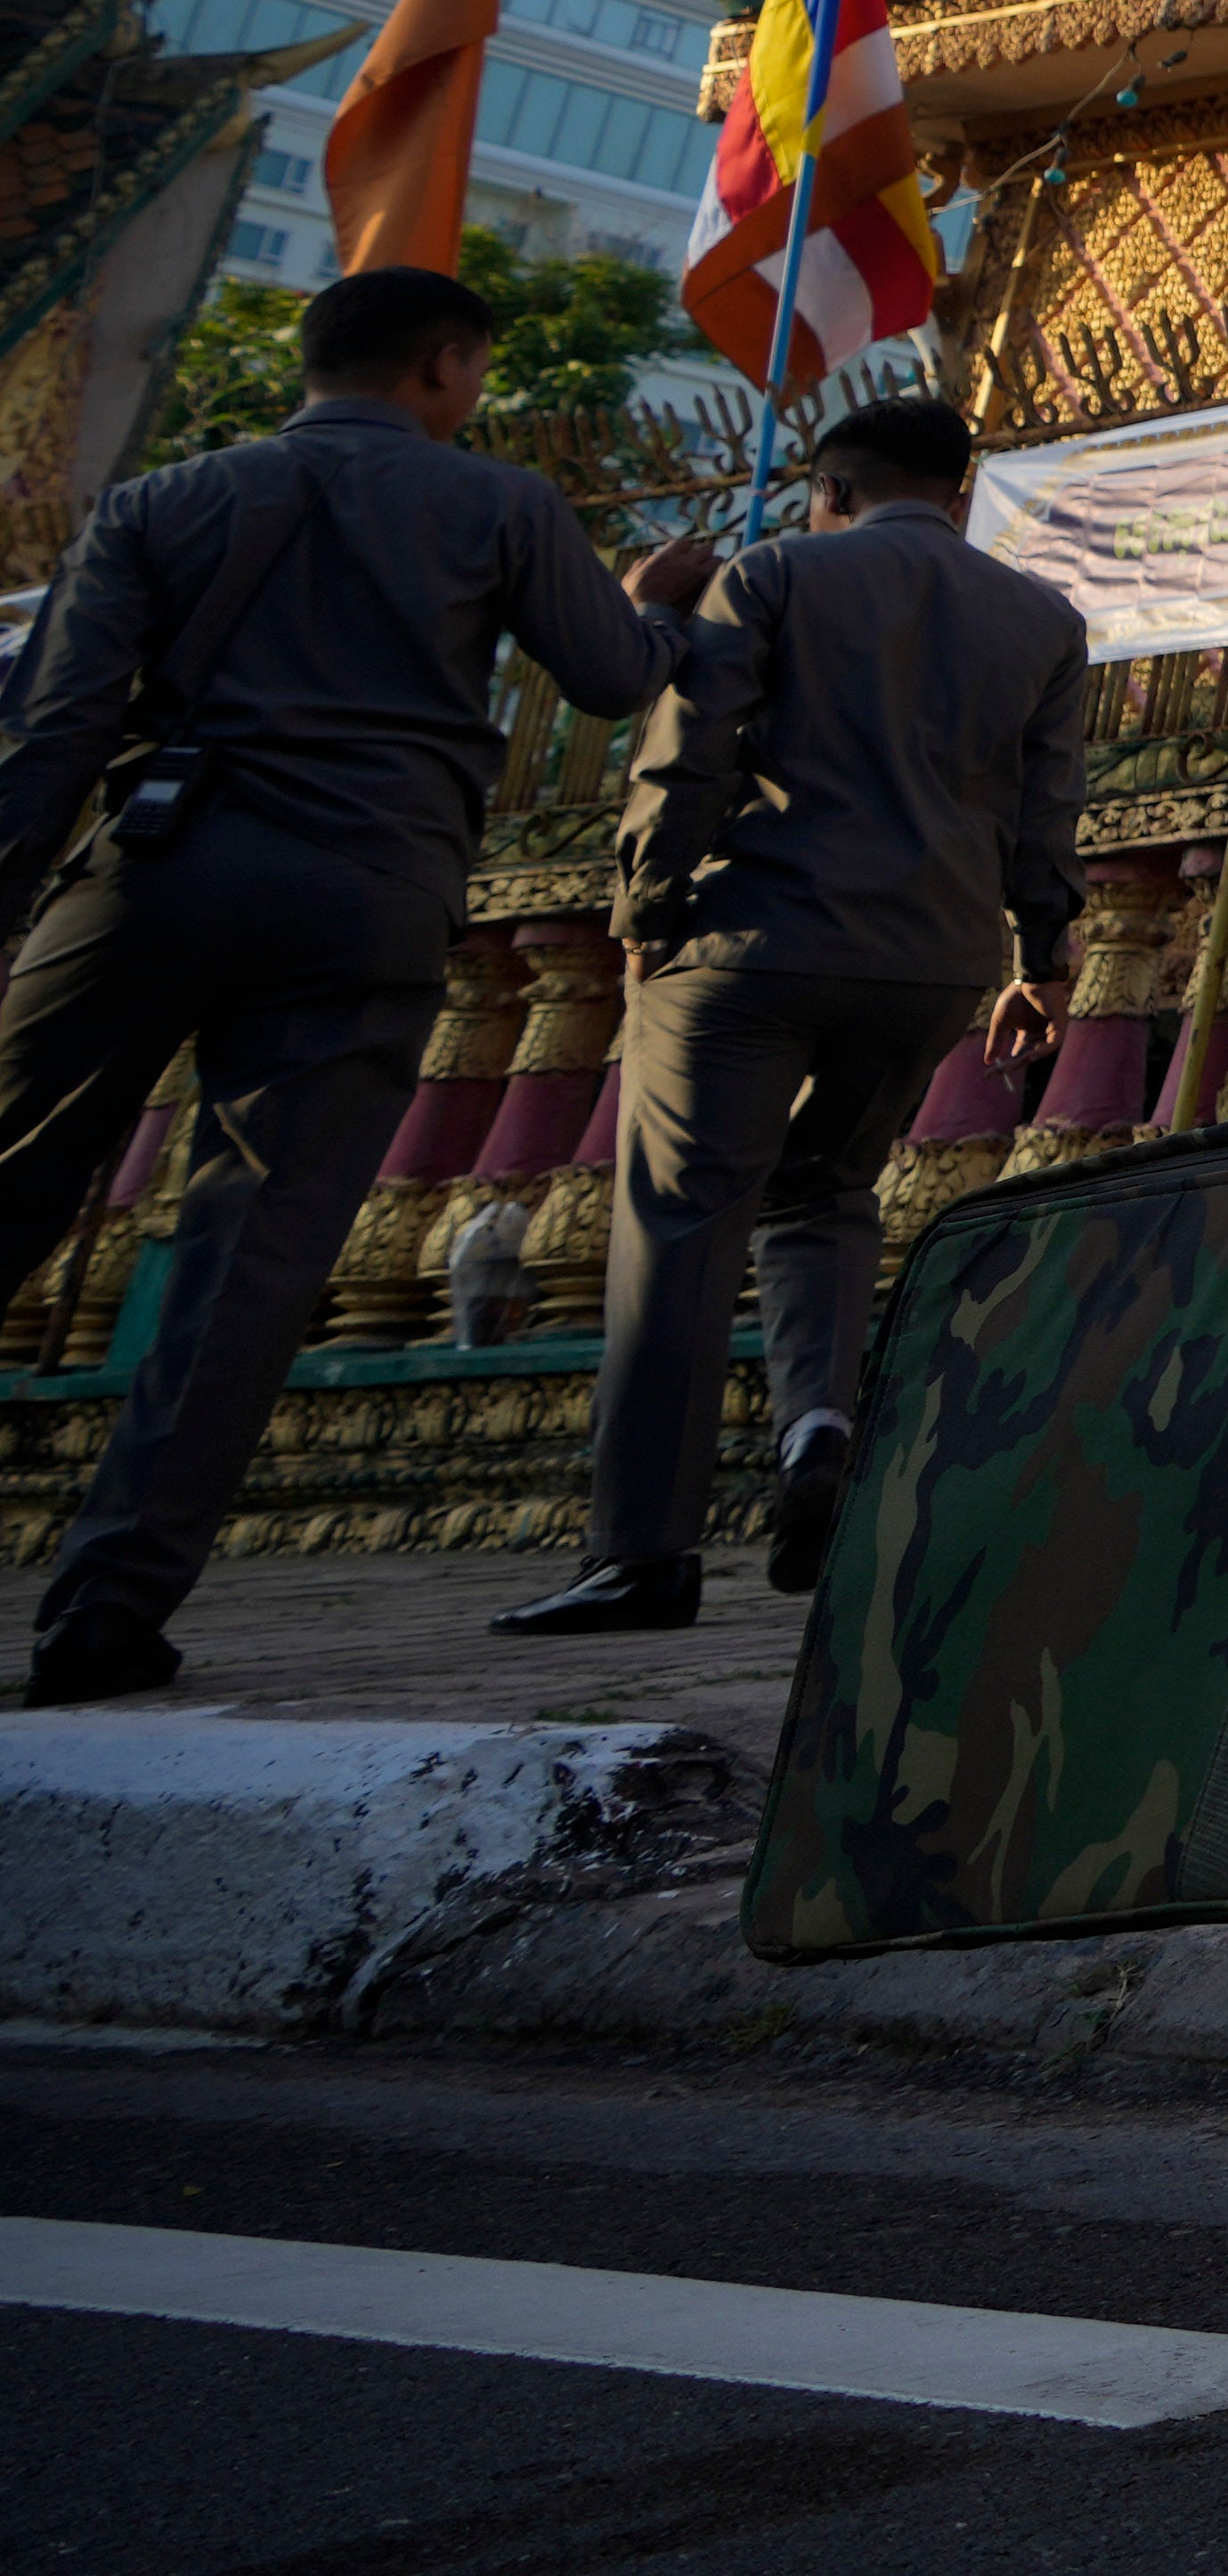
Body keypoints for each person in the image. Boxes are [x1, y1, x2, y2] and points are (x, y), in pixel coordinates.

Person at [0, 260, 704, 1706]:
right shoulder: (498, 502)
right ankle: (106, 1611)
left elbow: (53, 730)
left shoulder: (163, 503)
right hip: (368, 887)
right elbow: (611, 680)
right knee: (248, 1260)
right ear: (446, 365)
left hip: (151, 868)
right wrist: (659, 610)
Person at [492, 394, 1085, 1643]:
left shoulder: (773, 574)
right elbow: (1047, 807)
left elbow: (689, 743)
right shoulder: (1041, 616)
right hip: (932, 959)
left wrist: (650, 898)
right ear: (961, 493)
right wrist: (1042, 959)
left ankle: (642, 1553)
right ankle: (819, 1426)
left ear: (829, 487)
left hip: (755, 939)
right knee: (826, 1193)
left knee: (684, 1225)